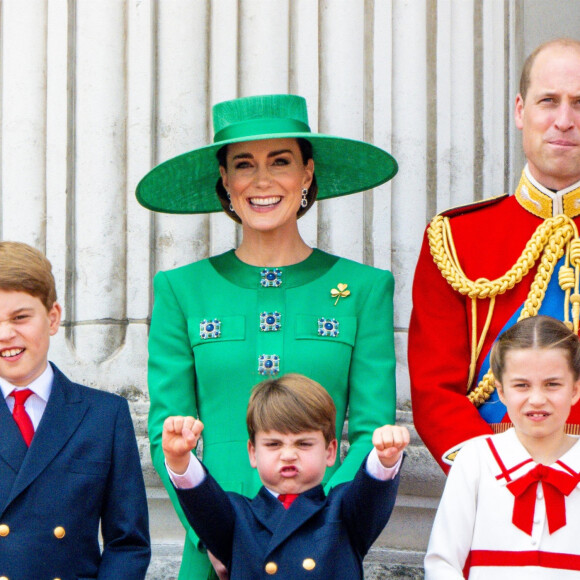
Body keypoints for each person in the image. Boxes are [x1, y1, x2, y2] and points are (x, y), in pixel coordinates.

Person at [136, 93, 399, 578]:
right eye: (243, 164)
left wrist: (328, 526)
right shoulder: (180, 290)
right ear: (226, 181)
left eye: (280, 161)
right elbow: (167, 432)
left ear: (307, 173)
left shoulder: (364, 289)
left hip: (322, 549)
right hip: (215, 547)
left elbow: (370, 431)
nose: (261, 181)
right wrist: (213, 532)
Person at [409, 38, 580, 473]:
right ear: (521, 111)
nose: (565, 120)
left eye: (579, 103)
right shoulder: (456, 237)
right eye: (549, 101)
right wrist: (493, 475)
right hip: (488, 484)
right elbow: (434, 389)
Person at [162, 373, 409, 580]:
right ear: (253, 453)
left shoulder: (343, 510)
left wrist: (385, 457)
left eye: (303, 444)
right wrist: (179, 458)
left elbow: (372, 492)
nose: (288, 455)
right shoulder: (237, 516)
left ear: (330, 451)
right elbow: (201, 500)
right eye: (273, 444)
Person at [0, 241, 151, 579]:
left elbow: (128, 544)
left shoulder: (104, 416)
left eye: (20, 317)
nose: (5, 334)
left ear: (53, 317)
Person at [424, 315, 580, 578]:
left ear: (575, 390)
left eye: (552, 384)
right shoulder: (475, 460)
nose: (537, 399)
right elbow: (442, 563)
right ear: (502, 391)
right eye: (522, 385)